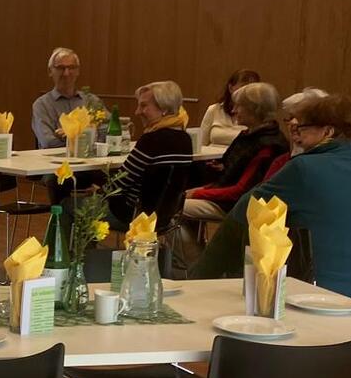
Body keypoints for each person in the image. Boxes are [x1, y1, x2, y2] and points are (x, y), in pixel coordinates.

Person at [191, 94, 351, 378]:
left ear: (328, 131)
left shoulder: (305, 169)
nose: (296, 134)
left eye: (304, 128)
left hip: (331, 302)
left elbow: (245, 211)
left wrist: (201, 277)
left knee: (268, 279)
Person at [171, 82, 286, 271]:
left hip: (236, 205)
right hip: (224, 195)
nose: (234, 110)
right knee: (178, 199)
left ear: (255, 110)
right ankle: (198, 259)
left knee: (169, 208)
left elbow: (240, 192)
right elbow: (230, 171)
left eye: (239, 106)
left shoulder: (268, 145)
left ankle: (199, 266)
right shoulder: (249, 135)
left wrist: (198, 193)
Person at [109, 80, 192, 228]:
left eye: (143, 106)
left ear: (164, 109)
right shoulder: (186, 139)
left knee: (72, 205)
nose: (137, 112)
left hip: (134, 216)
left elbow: (118, 184)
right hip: (166, 218)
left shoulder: (151, 140)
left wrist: (97, 191)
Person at [31, 47, 86, 149]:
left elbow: (107, 134)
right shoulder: (42, 105)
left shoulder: (90, 101)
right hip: (54, 158)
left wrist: (68, 135)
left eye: (71, 67)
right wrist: (83, 136)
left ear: (78, 71)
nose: (66, 73)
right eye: (60, 68)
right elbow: (48, 142)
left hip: (89, 158)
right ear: (50, 71)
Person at [198, 68, 261, 148]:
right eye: (243, 87)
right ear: (231, 88)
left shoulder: (256, 114)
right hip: (210, 155)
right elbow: (201, 143)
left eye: (251, 89)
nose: (247, 92)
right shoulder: (214, 109)